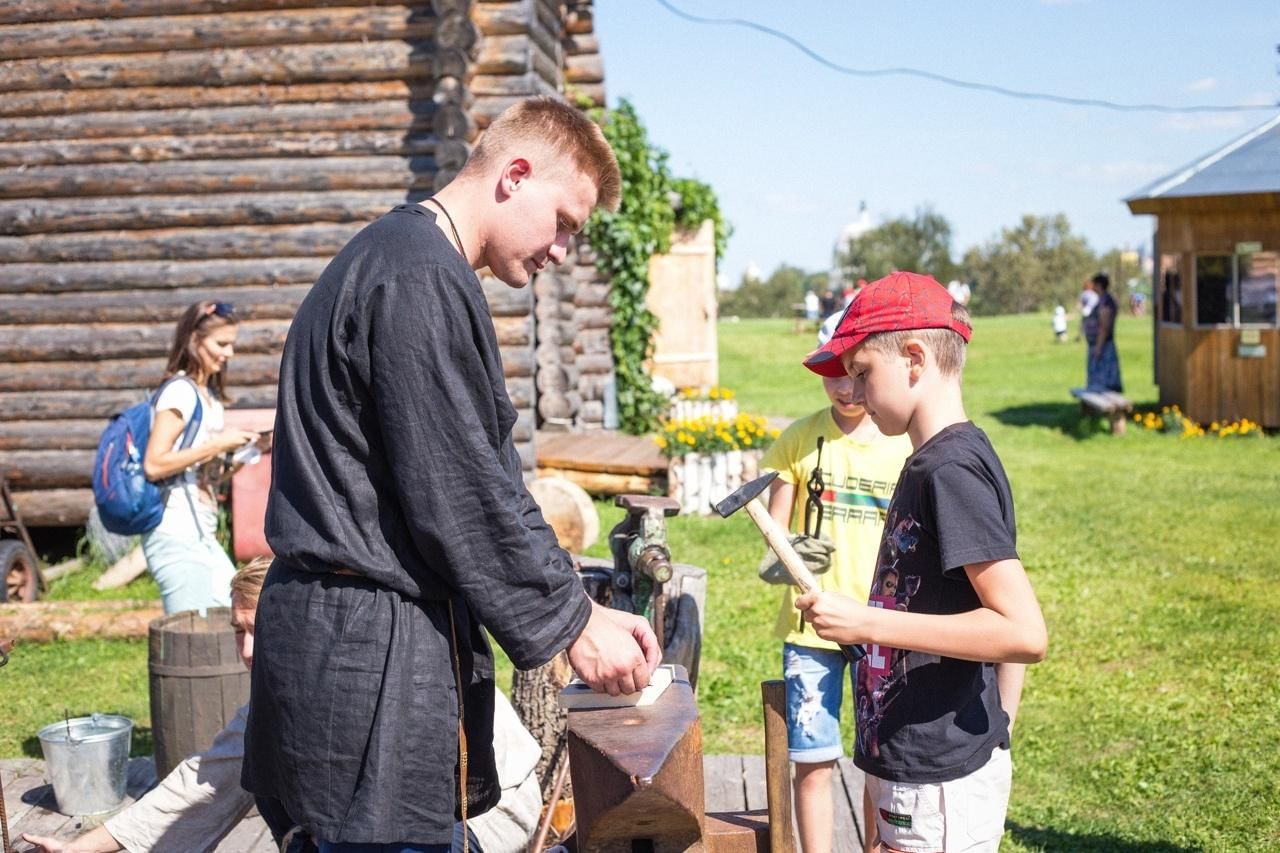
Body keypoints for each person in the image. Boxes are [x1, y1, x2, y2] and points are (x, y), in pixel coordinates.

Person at [242, 96, 661, 852]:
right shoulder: (417, 279)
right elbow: (460, 492)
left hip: (350, 639)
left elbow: (461, 477)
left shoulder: (400, 261)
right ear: (516, 173)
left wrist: (576, 602)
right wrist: (573, 624)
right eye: (564, 221)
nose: (563, 251)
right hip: (362, 656)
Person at [22, 560, 542, 853]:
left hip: (481, 815)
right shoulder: (285, 700)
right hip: (395, 821)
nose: (248, 649)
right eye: (237, 631)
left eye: (260, 629)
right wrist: (77, 849)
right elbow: (204, 782)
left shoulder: (370, 675)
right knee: (267, 781)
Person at [797, 271, 1047, 853]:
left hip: (939, 782)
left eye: (862, 373)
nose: (852, 393)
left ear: (913, 358)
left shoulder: (949, 471)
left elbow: (1022, 631)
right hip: (915, 770)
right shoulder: (930, 462)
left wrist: (867, 624)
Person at [759, 312, 912, 853]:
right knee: (813, 762)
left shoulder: (902, 446)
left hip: (881, 627)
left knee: (879, 762)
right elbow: (773, 533)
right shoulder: (799, 442)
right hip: (812, 631)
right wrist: (784, 553)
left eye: (854, 373)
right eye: (832, 374)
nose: (845, 388)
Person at [141, 301, 258, 615]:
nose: (229, 353)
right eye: (222, 344)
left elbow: (204, 477)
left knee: (231, 614)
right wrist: (217, 444)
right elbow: (154, 464)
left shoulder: (210, 398)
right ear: (194, 341)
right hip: (174, 529)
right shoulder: (179, 392)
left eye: (232, 344)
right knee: (191, 636)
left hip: (200, 530)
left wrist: (243, 455)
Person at [1087, 272, 1123, 392]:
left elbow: (1104, 326)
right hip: (1098, 344)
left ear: (1099, 285)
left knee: (1104, 379)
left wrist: (1098, 347)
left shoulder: (1106, 302)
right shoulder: (1101, 300)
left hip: (1103, 346)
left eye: (1094, 285)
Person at [1076, 278, 1099, 343]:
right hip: (1094, 309)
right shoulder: (1094, 293)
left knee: (1083, 324)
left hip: (1087, 309)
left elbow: (1081, 303)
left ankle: (1080, 336)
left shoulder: (1084, 293)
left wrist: (1078, 309)